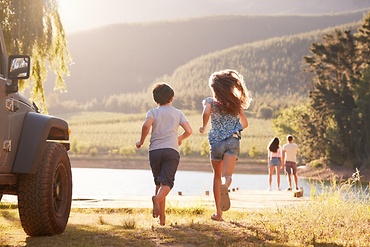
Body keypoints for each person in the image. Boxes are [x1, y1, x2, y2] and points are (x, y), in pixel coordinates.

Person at [136, 83, 192, 226]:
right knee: (167, 184)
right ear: (172, 97)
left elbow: (146, 126)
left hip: (155, 151)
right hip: (171, 150)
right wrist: (180, 138)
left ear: (156, 99)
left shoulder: (153, 112)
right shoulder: (178, 113)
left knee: (159, 183)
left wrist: (141, 141)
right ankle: (156, 201)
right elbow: (189, 131)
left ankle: (162, 219)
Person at [199, 69, 251, 222]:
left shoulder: (209, 101)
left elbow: (206, 112)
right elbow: (245, 124)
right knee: (226, 176)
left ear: (214, 88)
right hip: (233, 142)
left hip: (216, 142)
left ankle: (218, 214)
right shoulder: (235, 103)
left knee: (216, 176)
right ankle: (225, 186)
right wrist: (234, 129)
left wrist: (203, 126)